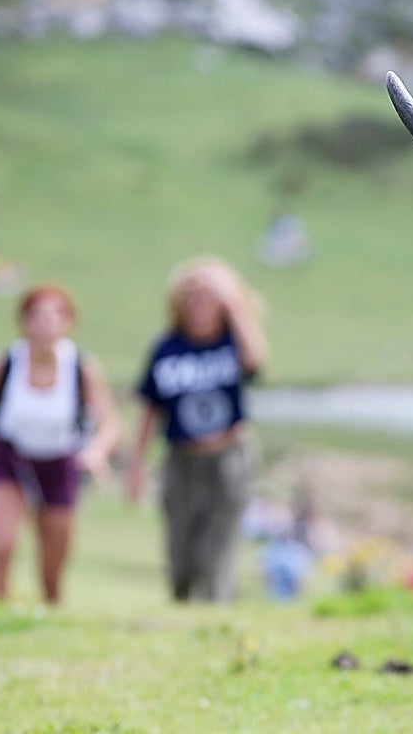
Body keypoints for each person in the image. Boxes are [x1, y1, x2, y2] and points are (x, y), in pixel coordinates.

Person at [0, 284, 120, 604]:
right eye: (38, 316)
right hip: (10, 458)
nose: (46, 324)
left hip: (60, 461)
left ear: (68, 322)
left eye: (54, 316)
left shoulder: (81, 367)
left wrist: (97, 451)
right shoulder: (6, 362)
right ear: (24, 322)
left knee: (53, 560)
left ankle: (50, 612)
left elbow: (110, 422)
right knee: (4, 543)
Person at [127, 257, 268, 602]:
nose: (199, 303)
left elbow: (257, 361)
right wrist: (136, 465)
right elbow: (149, 410)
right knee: (181, 550)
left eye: (208, 295)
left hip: (229, 455)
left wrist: (233, 300)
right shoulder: (166, 347)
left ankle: (218, 607)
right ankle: (183, 603)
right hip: (182, 458)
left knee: (218, 545)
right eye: (191, 295)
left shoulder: (233, 341)